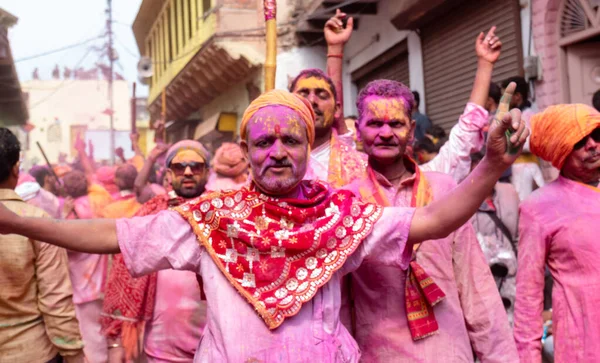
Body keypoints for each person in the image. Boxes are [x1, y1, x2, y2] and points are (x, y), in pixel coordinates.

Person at [0, 89, 528, 362]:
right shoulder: (213, 217)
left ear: (307, 149)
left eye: (290, 141)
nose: (277, 152)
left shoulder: (340, 216)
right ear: (248, 153)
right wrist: (17, 223)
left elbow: (434, 219)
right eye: (263, 142)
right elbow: (111, 237)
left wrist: (491, 165)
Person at [345, 80, 517, 362]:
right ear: (358, 131)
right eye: (375, 123)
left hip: (449, 352)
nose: (386, 133)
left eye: (396, 124)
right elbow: (340, 303)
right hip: (378, 354)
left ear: (411, 131)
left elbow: (475, 285)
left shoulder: (444, 190)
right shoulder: (346, 202)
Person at [102, 140, 210, 363]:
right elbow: (123, 273)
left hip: (212, 340)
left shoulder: (223, 212)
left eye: (196, 166)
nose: (188, 172)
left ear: (207, 172)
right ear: (169, 174)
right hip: (162, 343)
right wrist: (116, 340)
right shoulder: (152, 211)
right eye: (180, 167)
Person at [514, 104, 600, 362]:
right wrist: (529, 356)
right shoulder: (539, 207)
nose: (593, 145)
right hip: (584, 343)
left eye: (597, 136)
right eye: (579, 141)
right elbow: (528, 295)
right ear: (559, 151)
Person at [0, 128, 85, 363]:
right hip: (31, 352)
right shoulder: (38, 222)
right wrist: (75, 355)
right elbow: (55, 301)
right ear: (16, 167)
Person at [61, 170, 113, 362]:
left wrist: (65, 214)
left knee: (91, 336)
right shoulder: (100, 201)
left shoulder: (72, 209)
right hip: (103, 278)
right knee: (102, 330)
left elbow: (66, 244)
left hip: (84, 285)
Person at [470, 150, 520, 324]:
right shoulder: (462, 201)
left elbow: (518, 235)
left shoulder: (509, 192)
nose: (483, 175)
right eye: (477, 171)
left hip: (512, 277)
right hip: (479, 280)